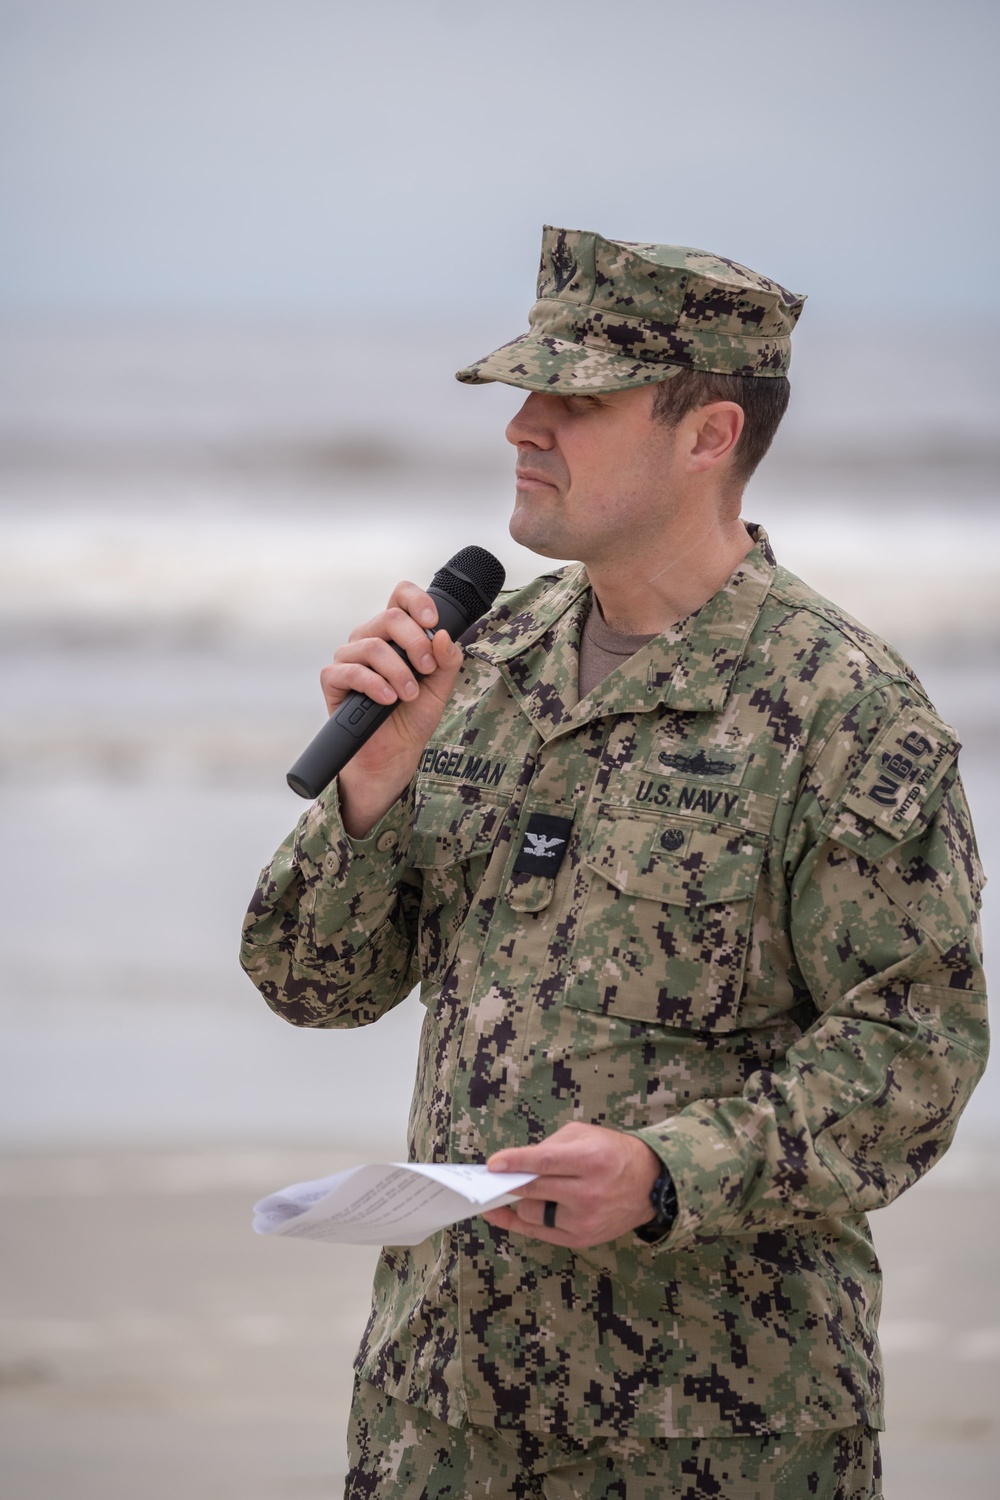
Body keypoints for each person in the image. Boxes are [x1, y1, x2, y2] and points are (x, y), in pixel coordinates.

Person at [240, 226, 988, 1499]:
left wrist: (664, 1175)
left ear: (707, 436)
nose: (524, 425)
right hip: (445, 1404)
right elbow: (312, 983)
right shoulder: (483, 667)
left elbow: (914, 1052)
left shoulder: (842, 710)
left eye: (575, 399)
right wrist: (373, 790)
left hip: (710, 1431)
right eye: (527, 393)